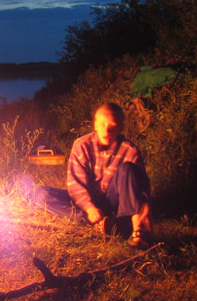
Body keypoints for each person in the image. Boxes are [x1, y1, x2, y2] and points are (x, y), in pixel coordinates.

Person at [35, 102, 154, 248]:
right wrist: (89, 208)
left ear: (121, 127)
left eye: (113, 125)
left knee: (127, 168)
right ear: (95, 125)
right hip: (87, 202)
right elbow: (75, 185)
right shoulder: (82, 145)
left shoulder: (130, 150)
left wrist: (145, 208)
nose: (107, 130)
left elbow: (142, 187)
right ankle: (92, 220)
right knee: (42, 195)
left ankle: (123, 222)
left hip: (114, 201)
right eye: (103, 124)